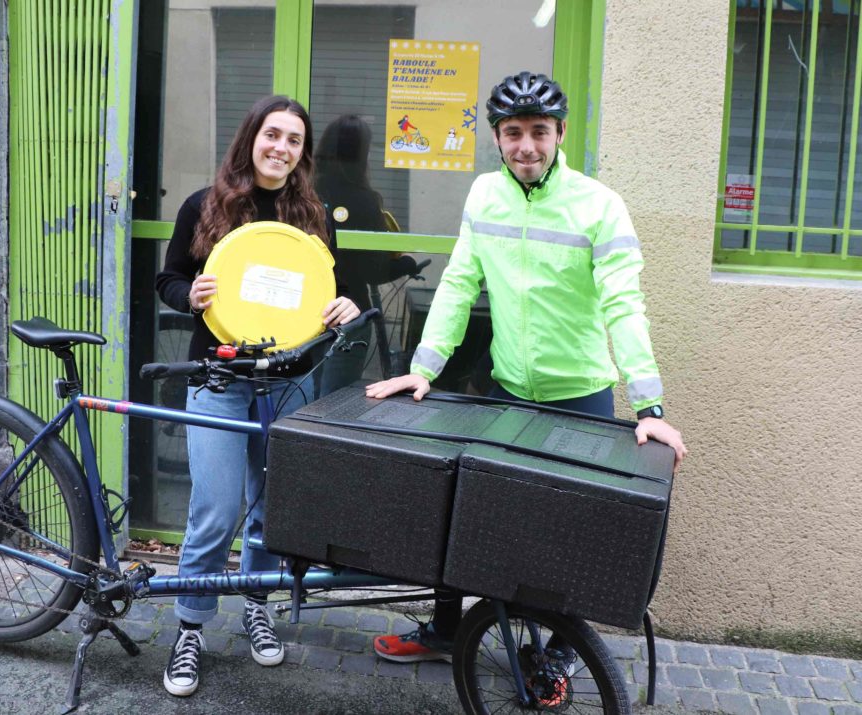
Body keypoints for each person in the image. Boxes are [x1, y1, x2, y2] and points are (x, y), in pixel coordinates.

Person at [365, 71, 688, 665]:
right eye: (513, 133)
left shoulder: (599, 205)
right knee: (468, 513)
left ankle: (561, 653)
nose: (526, 147)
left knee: (569, 533)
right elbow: (459, 283)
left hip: (581, 398)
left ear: (560, 132)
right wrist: (425, 367)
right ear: (496, 137)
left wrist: (650, 408)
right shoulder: (484, 195)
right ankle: (444, 632)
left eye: (539, 131)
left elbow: (624, 305)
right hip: (509, 390)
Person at [154, 95, 360, 697]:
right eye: (273, 135)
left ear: (303, 154)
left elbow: (329, 294)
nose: (281, 148)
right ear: (251, 138)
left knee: (272, 511)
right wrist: (188, 296)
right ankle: (190, 626)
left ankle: (255, 605)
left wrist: (342, 308)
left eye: (294, 141)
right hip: (219, 378)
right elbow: (167, 279)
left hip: (288, 383)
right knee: (215, 510)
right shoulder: (203, 205)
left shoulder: (314, 217)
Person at [313, 114, 418, 395]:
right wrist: (406, 264)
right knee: (332, 403)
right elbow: (373, 271)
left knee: (299, 398)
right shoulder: (363, 199)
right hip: (349, 312)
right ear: (361, 154)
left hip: (305, 307)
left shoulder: (306, 190)